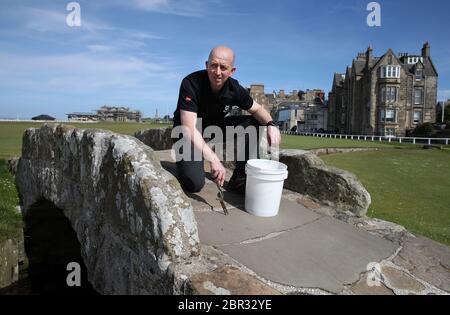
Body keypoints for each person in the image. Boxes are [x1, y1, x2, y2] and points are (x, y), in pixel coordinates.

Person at [172, 46, 281, 194]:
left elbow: (258, 110)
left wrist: (271, 124)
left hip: (212, 129)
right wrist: (214, 159)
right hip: (186, 134)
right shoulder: (191, 83)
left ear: (232, 71)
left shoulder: (234, 89)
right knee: (194, 184)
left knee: (254, 123)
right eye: (213, 65)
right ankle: (183, 163)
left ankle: (240, 179)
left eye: (223, 67)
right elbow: (189, 129)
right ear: (206, 65)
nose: (217, 72)